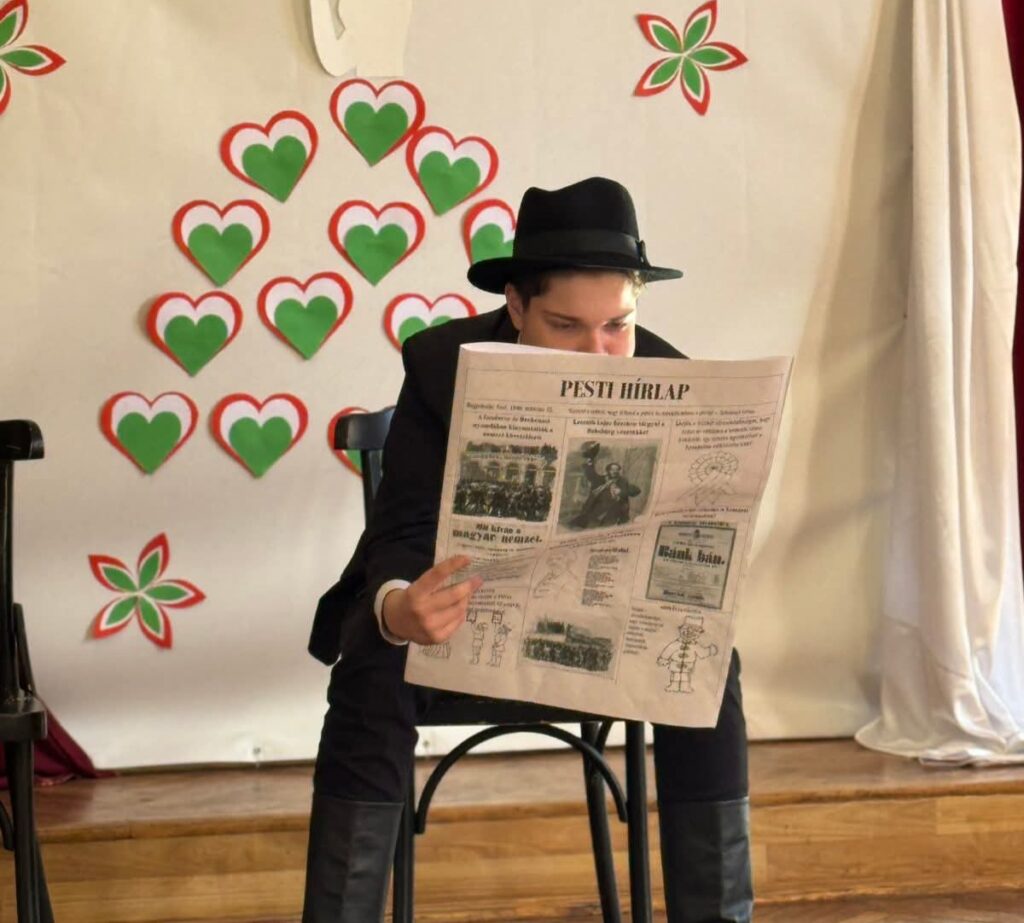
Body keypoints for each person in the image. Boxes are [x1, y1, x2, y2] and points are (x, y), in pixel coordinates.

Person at [303, 177, 753, 922]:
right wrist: (398, 607)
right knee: (375, 659)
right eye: (566, 325)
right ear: (515, 306)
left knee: (708, 665)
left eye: (617, 326)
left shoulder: (672, 375)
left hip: (611, 630)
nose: (598, 353)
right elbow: (402, 529)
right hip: (466, 624)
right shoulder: (441, 365)